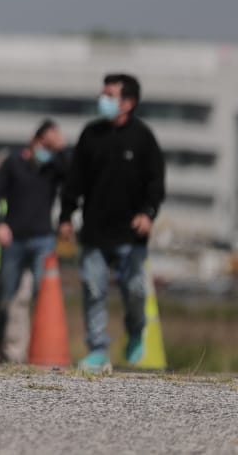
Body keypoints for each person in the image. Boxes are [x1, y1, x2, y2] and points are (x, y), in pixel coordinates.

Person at [60, 73, 165, 373]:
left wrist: (148, 213)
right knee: (93, 289)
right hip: (94, 231)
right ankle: (97, 349)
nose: (102, 99)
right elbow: (74, 180)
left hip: (131, 235)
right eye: (102, 93)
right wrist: (66, 216)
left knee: (135, 290)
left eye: (110, 95)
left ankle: (135, 333)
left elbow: (156, 182)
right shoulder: (90, 134)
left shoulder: (143, 138)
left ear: (128, 103)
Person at [0, 119, 67, 363]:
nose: (46, 151)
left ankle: (41, 348)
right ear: (34, 140)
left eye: (50, 147)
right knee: (6, 296)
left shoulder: (54, 166)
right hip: (14, 240)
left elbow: (73, 173)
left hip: (43, 239)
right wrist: (0, 224)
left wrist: (60, 148)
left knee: (45, 294)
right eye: (45, 144)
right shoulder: (13, 163)